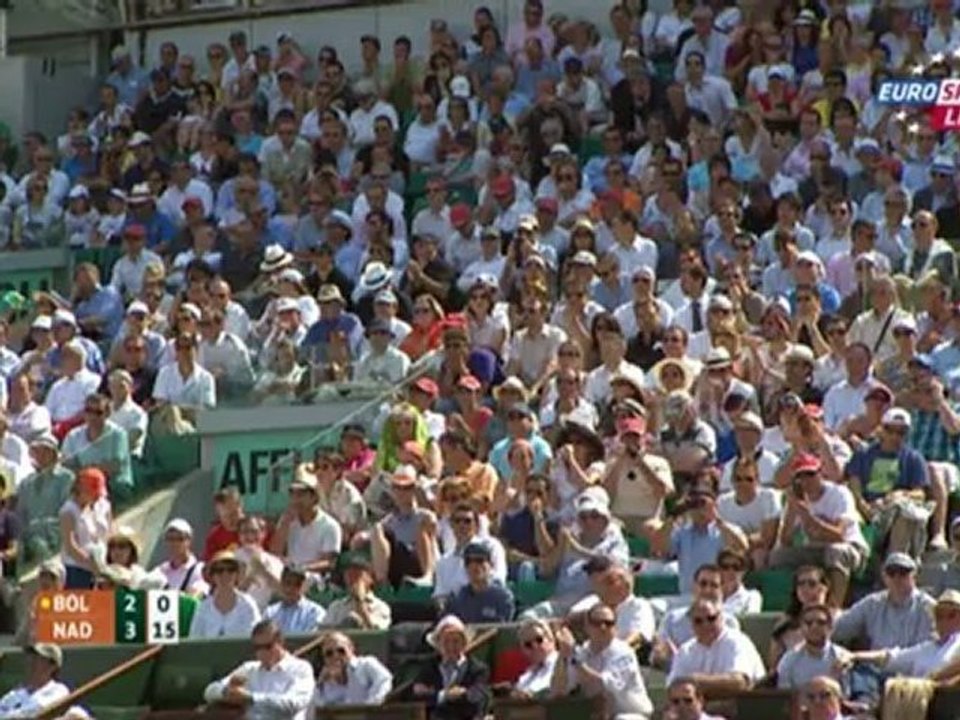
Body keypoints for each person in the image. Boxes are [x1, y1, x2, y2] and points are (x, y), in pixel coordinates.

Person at [551, 602, 654, 719]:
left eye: (608, 623)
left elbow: (603, 686)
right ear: (587, 627)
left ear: (615, 628)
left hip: (632, 714)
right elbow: (557, 691)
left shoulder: (623, 652)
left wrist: (574, 657)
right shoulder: (582, 652)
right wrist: (563, 655)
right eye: (597, 623)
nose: (603, 627)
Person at [204, 620, 314, 720]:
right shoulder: (249, 668)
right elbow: (210, 691)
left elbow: (294, 703)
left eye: (267, 647)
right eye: (257, 648)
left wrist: (251, 698)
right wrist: (226, 692)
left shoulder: (301, 668)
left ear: (280, 642)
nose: (262, 653)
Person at [665, 598, 766, 695]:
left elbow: (739, 683)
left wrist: (696, 681)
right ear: (691, 624)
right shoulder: (686, 651)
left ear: (721, 618)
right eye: (698, 621)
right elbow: (674, 687)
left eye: (711, 619)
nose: (706, 625)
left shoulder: (737, 641)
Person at [409, 615, 490, 720]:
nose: (451, 647)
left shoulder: (478, 669)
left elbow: (479, 698)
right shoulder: (428, 668)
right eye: (446, 642)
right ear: (438, 644)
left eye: (456, 641)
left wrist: (462, 694)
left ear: (464, 643)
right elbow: (415, 697)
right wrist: (444, 695)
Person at [59, 468, 112, 590]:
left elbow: (109, 532)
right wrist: (93, 566)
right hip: (76, 570)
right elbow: (70, 546)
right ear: (80, 490)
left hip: (103, 564)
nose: (96, 497)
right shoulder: (68, 511)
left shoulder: (104, 505)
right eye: (92, 492)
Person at [311, 631, 394, 709]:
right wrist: (319, 685)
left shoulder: (366, 665)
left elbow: (384, 681)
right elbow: (317, 710)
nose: (335, 656)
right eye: (329, 654)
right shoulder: (323, 682)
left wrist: (368, 709)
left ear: (351, 648)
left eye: (341, 651)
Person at [776, 604, 850, 690]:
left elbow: (847, 695)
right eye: (808, 623)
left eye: (821, 623)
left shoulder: (842, 657)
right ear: (801, 629)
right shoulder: (789, 660)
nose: (814, 627)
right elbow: (785, 696)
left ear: (831, 628)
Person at [189, 550, 261, 638]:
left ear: (237, 574)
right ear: (212, 576)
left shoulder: (248, 604)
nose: (225, 574)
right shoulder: (203, 607)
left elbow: (255, 637)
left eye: (231, 570)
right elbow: (195, 639)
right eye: (219, 570)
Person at [444, 542, 515, 623]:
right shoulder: (457, 597)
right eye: (469, 561)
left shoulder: (502, 597)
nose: (474, 565)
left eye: (479, 560)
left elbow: (503, 628)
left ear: (490, 565)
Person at [323, 553, 391, 629]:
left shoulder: (380, 606)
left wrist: (360, 602)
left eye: (357, 574)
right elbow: (324, 633)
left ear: (370, 578)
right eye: (348, 574)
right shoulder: (336, 606)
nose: (351, 578)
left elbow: (375, 634)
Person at [0, 644, 69, 718]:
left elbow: (37, 711)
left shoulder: (58, 690)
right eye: (31, 657)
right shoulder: (16, 693)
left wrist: (8, 715)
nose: (32, 661)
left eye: (39, 659)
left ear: (52, 666)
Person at [263, 565, 326, 634]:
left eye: (297, 585)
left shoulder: (315, 612)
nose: (291, 588)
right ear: (281, 583)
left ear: (304, 586)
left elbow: (313, 639)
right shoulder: (270, 612)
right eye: (288, 583)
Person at [513, 619, 559, 699]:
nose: (535, 646)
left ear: (551, 639)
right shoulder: (526, 676)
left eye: (539, 640)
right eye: (528, 645)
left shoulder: (563, 663)